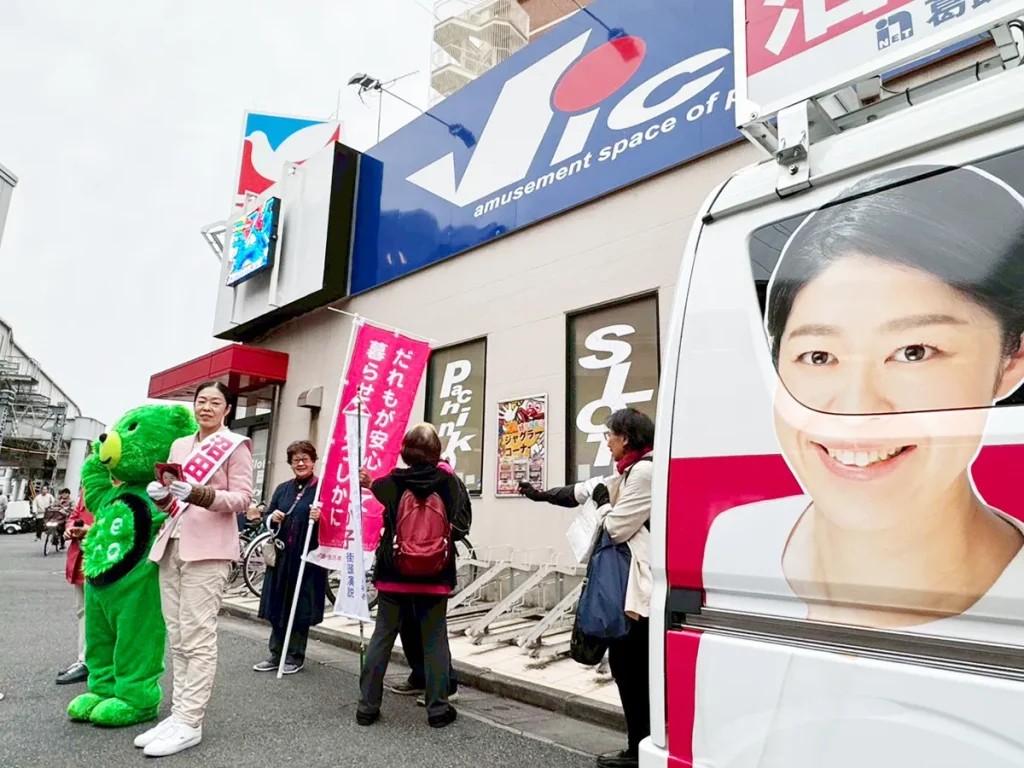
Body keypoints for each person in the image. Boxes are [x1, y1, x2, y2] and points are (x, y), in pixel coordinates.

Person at [705, 164, 1024, 635]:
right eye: (817, 355)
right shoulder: (736, 541)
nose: (856, 409)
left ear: (1011, 360)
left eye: (914, 352)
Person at [521, 407, 655, 768]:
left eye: (608, 434)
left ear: (624, 438)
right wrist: (540, 495)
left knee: (632, 668)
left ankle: (639, 749)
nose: (606, 441)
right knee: (628, 667)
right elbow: (579, 491)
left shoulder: (644, 472)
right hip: (630, 585)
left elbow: (616, 527)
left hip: (640, 589)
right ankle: (640, 744)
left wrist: (603, 504)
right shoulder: (628, 470)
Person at [137, 380, 253, 757]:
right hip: (172, 543)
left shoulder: (236, 445)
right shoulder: (180, 446)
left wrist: (201, 493)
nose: (205, 407)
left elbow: (242, 498)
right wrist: (162, 497)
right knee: (177, 633)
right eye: (201, 401)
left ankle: (191, 720)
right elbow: (174, 499)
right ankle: (178, 712)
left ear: (227, 409)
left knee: (198, 635)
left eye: (214, 402)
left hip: (210, 550)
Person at [356, 424, 468, 729]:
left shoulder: (392, 481)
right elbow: (461, 523)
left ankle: (367, 708)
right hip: (435, 574)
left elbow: (374, 487)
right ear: (437, 452)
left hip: (394, 573)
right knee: (434, 641)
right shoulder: (449, 482)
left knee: (382, 638)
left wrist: (367, 482)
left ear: (405, 452)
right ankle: (437, 710)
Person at [391, 449, 469, 705]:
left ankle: (446, 684)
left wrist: (435, 540)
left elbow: (462, 523)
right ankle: (421, 676)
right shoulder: (409, 480)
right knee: (410, 625)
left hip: (432, 565)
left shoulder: (449, 481)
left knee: (431, 630)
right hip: (412, 563)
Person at [253, 440, 325, 674]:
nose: (301, 463)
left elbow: (337, 524)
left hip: (307, 559)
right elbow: (266, 521)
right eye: (296, 460)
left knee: (300, 607)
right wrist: (272, 518)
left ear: (313, 461)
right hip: (282, 557)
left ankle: (295, 655)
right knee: (277, 605)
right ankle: (276, 653)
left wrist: (321, 517)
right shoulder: (283, 489)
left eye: (305, 458)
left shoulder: (322, 489)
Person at [56, 490, 93, 685]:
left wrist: (90, 529)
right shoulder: (89, 485)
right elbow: (75, 514)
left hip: (102, 557)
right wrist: (71, 528)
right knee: (83, 611)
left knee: (98, 614)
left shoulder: (121, 481)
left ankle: (91, 661)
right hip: (81, 555)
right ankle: (84, 659)